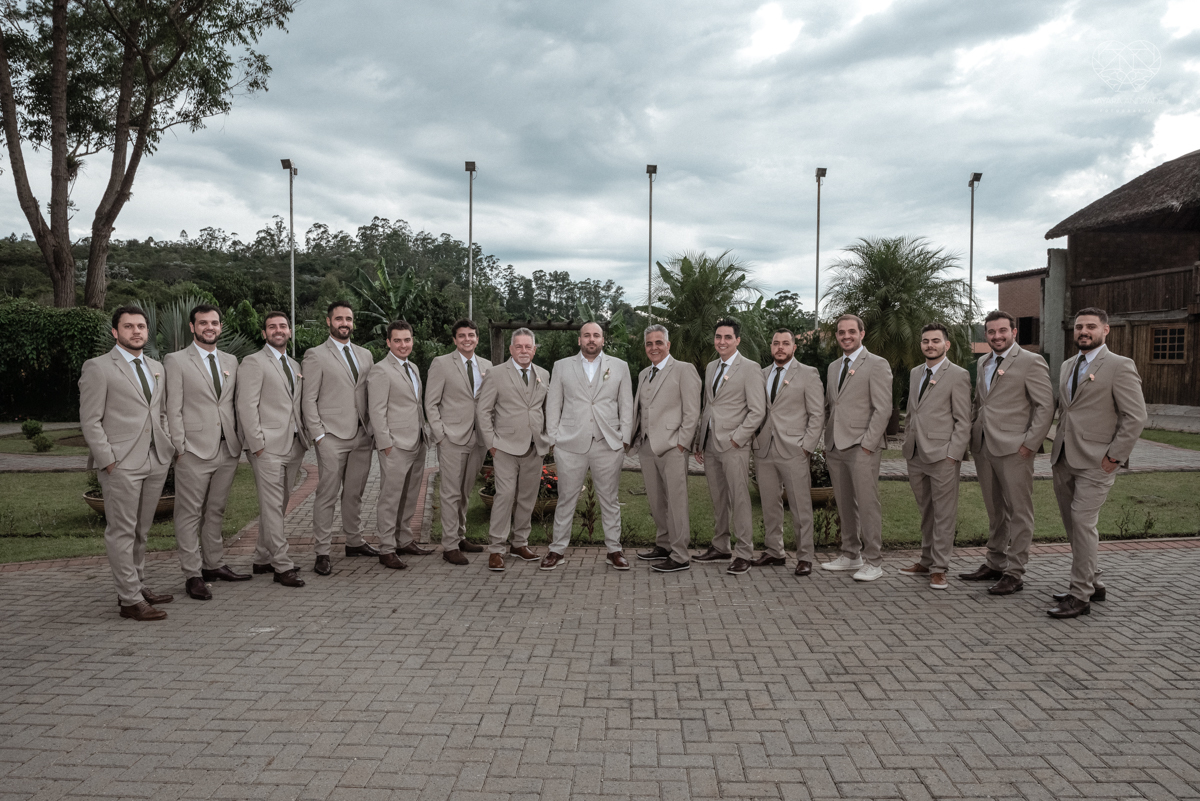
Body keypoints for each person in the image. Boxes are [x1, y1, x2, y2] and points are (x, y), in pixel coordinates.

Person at [1047, 307, 1147, 618]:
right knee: (1072, 526)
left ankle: (1080, 597)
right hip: (1064, 457)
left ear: (1106, 330)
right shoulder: (1067, 365)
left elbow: (1136, 416)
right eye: (1079, 327)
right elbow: (1068, 411)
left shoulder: (1120, 366)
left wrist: (1115, 456)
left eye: (1091, 326)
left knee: (1082, 523)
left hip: (1097, 462)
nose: (1083, 332)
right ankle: (1093, 581)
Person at [79, 306, 177, 620]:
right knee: (122, 531)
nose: (136, 331)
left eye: (141, 326)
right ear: (115, 332)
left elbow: (159, 411)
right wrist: (109, 461)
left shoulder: (156, 366)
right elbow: (90, 421)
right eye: (128, 326)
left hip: (156, 459)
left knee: (141, 529)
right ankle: (129, 599)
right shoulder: (98, 367)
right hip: (121, 463)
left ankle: (137, 583)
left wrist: (167, 443)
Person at [959, 310, 1053, 595]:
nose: (996, 336)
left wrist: (1030, 444)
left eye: (1002, 331)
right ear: (985, 335)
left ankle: (1015, 572)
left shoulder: (1031, 361)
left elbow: (1045, 406)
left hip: (1015, 450)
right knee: (995, 510)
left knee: (1019, 512)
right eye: (991, 332)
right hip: (984, 447)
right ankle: (995, 563)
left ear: (1014, 332)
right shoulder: (983, 362)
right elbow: (980, 403)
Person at [163, 304, 249, 601]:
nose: (209, 327)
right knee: (188, 514)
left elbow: (233, 403)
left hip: (228, 448)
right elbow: (171, 407)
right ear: (192, 327)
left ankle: (213, 564)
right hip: (193, 451)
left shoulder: (231, 360)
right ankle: (192, 573)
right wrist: (179, 448)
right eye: (203, 323)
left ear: (220, 327)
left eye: (214, 322)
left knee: (216, 510)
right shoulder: (175, 361)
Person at [542, 322, 634, 571]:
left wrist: (624, 438)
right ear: (579, 340)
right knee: (566, 498)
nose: (591, 339)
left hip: (608, 443)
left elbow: (627, 403)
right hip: (570, 443)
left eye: (596, 335)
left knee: (610, 499)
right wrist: (554, 437)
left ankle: (614, 549)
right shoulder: (562, 366)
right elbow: (553, 404)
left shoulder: (619, 366)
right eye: (586, 335)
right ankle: (557, 549)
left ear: (603, 340)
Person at [301, 301, 379, 576]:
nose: (344, 323)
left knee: (355, 493)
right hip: (331, 436)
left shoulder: (365, 354)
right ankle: (322, 552)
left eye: (348, 319)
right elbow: (308, 399)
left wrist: (371, 429)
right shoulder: (315, 355)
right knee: (327, 494)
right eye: (339, 319)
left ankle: (354, 541)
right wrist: (319, 435)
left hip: (361, 435)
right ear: (328, 321)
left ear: (353, 323)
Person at [236, 311, 309, 588]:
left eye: (283, 326)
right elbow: (247, 405)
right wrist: (257, 445)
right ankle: (282, 564)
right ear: (264, 333)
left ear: (289, 331)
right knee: (271, 504)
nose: (278, 330)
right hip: (266, 447)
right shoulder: (253, 362)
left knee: (279, 504)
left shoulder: (293, 363)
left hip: (293, 445)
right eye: (272, 327)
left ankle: (262, 557)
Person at [897, 324, 971, 590]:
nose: (930, 345)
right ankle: (926, 560)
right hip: (915, 453)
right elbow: (913, 411)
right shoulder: (917, 372)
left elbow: (963, 420)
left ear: (946, 345)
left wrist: (954, 454)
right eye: (926, 341)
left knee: (943, 514)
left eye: (936, 341)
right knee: (926, 511)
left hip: (943, 456)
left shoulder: (958, 375)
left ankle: (940, 568)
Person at [822, 313, 893, 582]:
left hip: (862, 446)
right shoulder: (832, 367)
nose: (846, 336)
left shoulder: (876, 364)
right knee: (844, 503)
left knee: (867, 504)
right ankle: (851, 554)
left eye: (851, 331)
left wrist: (867, 444)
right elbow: (832, 405)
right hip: (835, 445)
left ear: (862, 333)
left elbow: (883, 408)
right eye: (841, 332)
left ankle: (874, 561)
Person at [693, 318, 767, 575]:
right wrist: (700, 441)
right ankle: (721, 546)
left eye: (727, 337)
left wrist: (738, 437)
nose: (721, 341)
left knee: (739, 499)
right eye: (718, 337)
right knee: (718, 498)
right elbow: (708, 405)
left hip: (734, 444)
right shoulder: (711, 366)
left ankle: (744, 552)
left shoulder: (750, 368)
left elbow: (757, 411)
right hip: (711, 443)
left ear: (737, 340)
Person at [475, 328, 550, 571]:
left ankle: (520, 543)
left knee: (527, 498)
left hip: (534, 447)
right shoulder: (496, 374)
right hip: (505, 447)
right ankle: (496, 548)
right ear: (510, 349)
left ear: (535, 349)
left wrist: (547, 439)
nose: (524, 351)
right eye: (519, 346)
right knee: (505, 496)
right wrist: (491, 443)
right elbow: (483, 410)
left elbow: (545, 409)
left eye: (528, 346)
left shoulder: (544, 375)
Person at [751, 328, 824, 576]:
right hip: (764, 449)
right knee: (770, 505)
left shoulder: (808, 374)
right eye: (775, 343)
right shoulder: (760, 375)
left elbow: (817, 414)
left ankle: (805, 557)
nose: (780, 347)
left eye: (785, 343)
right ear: (770, 347)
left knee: (800, 506)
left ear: (794, 347)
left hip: (794, 449)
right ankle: (774, 551)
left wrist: (807, 447)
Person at [632, 325, 701, 573]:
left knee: (676, 501)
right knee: (656, 500)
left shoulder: (684, 370)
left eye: (659, 342)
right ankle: (663, 544)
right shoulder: (643, 374)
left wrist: (682, 443)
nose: (654, 347)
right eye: (649, 343)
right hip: (647, 445)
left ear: (668, 345)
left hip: (673, 446)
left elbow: (692, 411)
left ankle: (680, 554)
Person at [367, 320, 434, 571]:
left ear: (412, 341)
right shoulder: (380, 370)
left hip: (417, 440)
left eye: (407, 340)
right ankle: (386, 547)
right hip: (394, 444)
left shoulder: (413, 367)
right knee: (390, 496)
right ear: (388, 342)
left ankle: (404, 539)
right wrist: (385, 443)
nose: (403, 344)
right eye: (397, 340)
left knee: (410, 495)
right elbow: (377, 410)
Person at [425, 319, 492, 565]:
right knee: (450, 492)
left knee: (464, 491)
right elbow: (430, 403)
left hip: (479, 438)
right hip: (452, 438)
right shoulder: (441, 364)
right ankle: (450, 546)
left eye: (471, 335)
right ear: (455, 339)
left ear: (477, 338)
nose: (467, 339)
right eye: (462, 335)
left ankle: (460, 536)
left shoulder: (487, 365)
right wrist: (440, 435)